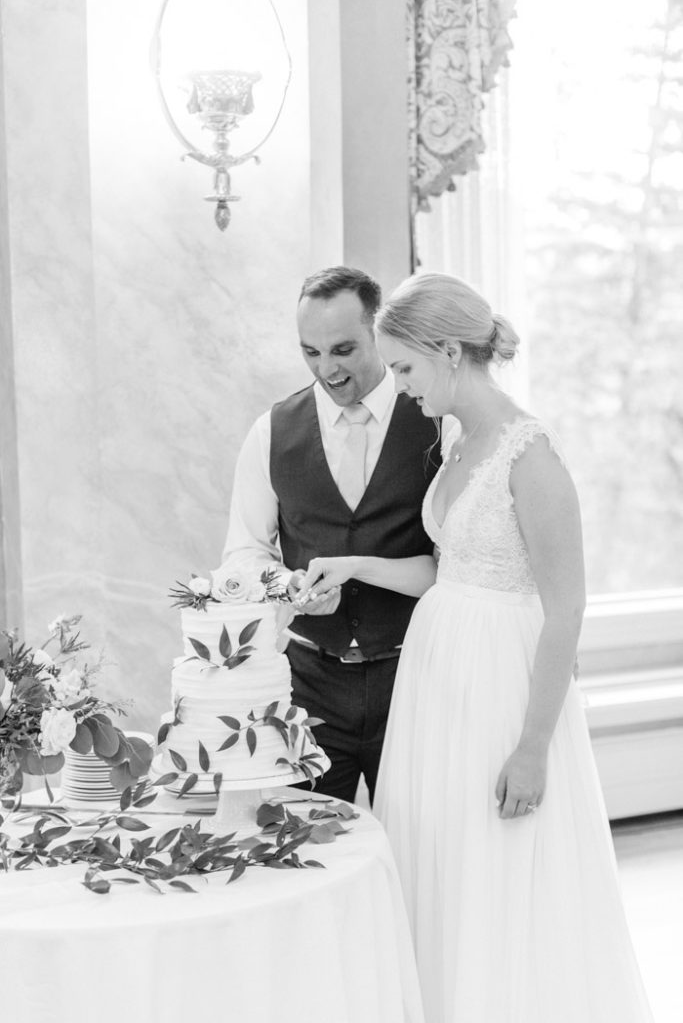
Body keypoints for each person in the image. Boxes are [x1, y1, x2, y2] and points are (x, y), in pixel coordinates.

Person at [294, 273, 655, 1022]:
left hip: (499, 687)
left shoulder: (531, 456)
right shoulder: (458, 441)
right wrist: (353, 564)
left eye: (402, 368)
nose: (397, 385)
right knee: (440, 862)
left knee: (496, 868)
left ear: (448, 351)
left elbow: (566, 608)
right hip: (437, 685)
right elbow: (444, 568)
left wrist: (531, 746)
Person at [223, 266, 440, 803]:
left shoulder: (439, 421)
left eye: (343, 350)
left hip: (417, 675)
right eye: (311, 352)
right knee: (312, 847)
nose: (327, 369)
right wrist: (287, 586)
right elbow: (243, 553)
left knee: (419, 853)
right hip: (310, 686)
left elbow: (459, 557)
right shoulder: (270, 430)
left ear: (378, 334)